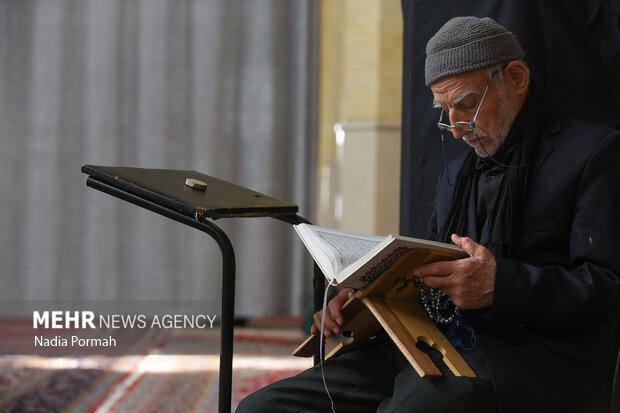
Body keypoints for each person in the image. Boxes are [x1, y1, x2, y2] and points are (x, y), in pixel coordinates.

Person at [237, 16, 620, 413]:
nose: (456, 128)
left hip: (524, 360)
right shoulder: (457, 169)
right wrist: (361, 297)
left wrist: (500, 285)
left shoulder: (595, 154)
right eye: (444, 109)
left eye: (466, 104)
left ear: (516, 77)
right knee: (262, 408)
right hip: (426, 341)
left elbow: (609, 287)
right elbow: (427, 272)